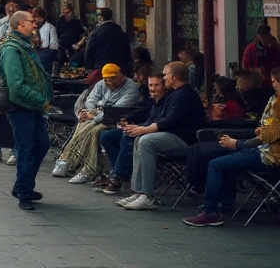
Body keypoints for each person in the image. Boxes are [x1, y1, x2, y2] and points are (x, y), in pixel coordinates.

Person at [183, 67, 280, 227]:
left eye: (275, 81)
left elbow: (268, 135)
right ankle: (225, 204)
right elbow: (264, 127)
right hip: (263, 148)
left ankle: (210, 212)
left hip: (270, 155)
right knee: (220, 158)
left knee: (216, 164)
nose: (272, 84)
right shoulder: (274, 100)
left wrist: (238, 144)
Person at [107, 61, 206, 210]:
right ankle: (138, 191)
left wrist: (143, 129)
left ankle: (147, 195)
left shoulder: (185, 95)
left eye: (166, 74)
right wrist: (140, 128)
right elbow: (161, 119)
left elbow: (169, 120)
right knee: (140, 139)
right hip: (171, 135)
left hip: (185, 139)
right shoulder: (175, 93)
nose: (164, 77)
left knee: (146, 141)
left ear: (174, 77)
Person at [0, 10, 53, 211]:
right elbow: (16, 86)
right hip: (21, 107)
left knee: (41, 144)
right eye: (32, 21)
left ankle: (22, 186)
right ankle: (24, 193)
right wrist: (41, 100)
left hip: (32, 107)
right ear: (21, 24)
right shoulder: (13, 49)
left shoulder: (24, 45)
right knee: (27, 148)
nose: (35, 24)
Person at [52, 63, 141, 184]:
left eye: (111, 80)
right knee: (84, 123)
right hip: (100, 115)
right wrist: (93, 112)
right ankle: (70, 161)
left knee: (94, 131)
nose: (108, 83)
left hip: (118, 120)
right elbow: (90, 100)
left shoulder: (131, 89)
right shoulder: (102, 83)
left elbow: (117, 110)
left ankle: (85, 168)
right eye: (106, 80)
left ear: (119, 76)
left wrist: (94, 114)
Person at [84, 7, 131, 79]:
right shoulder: (120, 32)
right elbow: (127, 51)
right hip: (119, 68)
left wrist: (88, 67)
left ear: (101, 17)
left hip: (101, 68)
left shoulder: (95, 33)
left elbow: (89, 51)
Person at [31, 7, 59, 75]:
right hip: (36, 52)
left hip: (47, 53)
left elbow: (54, 45)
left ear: (42, 17)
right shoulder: (32, 28)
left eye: (37, 17)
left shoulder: (50, 27)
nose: (35, 19)